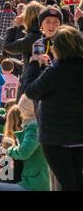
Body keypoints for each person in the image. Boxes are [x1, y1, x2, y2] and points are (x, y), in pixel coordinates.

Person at [23, 26, 83, 191]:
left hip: (56, 138)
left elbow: (31, 91)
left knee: (66, 182)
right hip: (79, 135)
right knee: (77, 177)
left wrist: (34, 64)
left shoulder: (55, 73)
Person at [0, 95, 50, 191]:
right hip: (36, 180)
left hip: (34, 183)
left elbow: (4, 177)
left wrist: (7, 151)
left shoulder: (32, 127)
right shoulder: (35, 126)